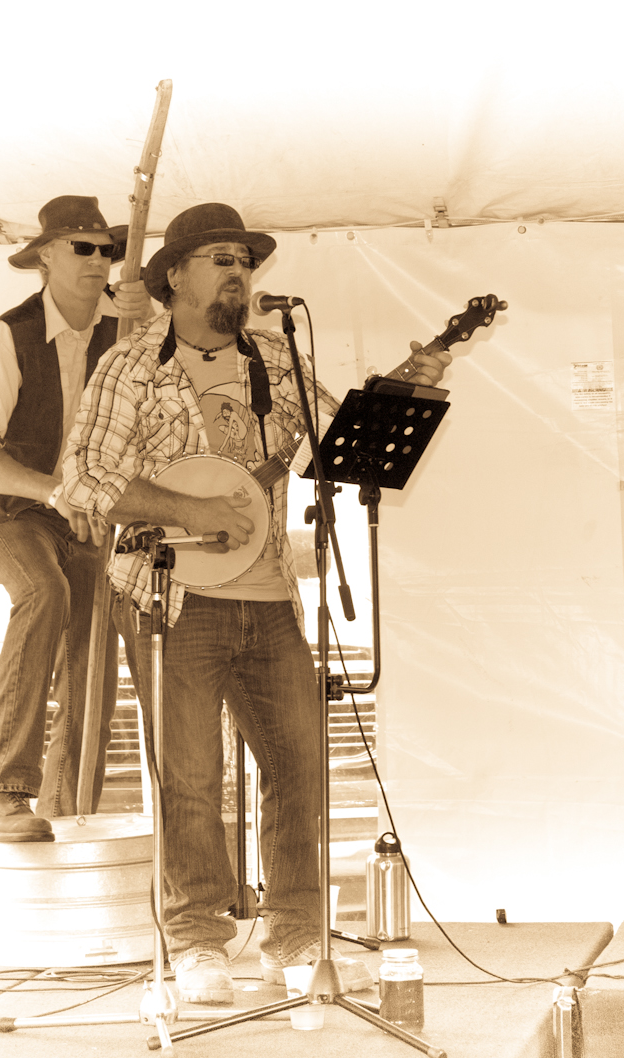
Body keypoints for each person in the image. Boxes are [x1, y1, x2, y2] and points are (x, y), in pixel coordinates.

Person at [58, 203, 452, 1003]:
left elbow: (340, 443)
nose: (238, 272)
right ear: (175, 276)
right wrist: (191, 508)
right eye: (220, 258)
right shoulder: (130, 367)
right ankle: (198, 941)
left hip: (269, 595)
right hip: (171, 599)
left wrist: (404, 390)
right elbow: (83, 480)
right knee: (191, 778)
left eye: (244, 260)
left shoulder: (275, 355)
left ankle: (295, 935)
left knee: (300, 766)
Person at [0, 196, 151, 840]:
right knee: (44, 590)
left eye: (107, 249)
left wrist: (153, 328)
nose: (99, 260)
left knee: (95, 660)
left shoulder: (132, 330)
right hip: (9, 516)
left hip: (90, 520)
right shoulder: (9, 334)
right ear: (45, 258)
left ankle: (69, 815)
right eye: (82, 248)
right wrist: (57, 492)